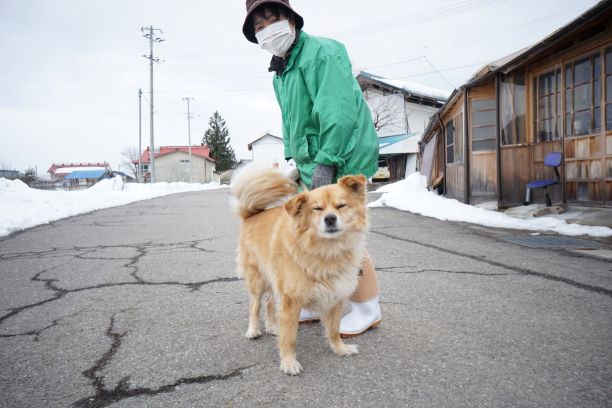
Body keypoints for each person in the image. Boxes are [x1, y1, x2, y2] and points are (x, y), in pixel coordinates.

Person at [242, 0, 381, 337]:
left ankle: (367, 308)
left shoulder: (321, 52)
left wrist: (327, 162)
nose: (266, 30)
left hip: (343, 155)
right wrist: (296, 161)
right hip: (314, 159)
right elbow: (295, 122)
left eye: (272, 19)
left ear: (291, 19)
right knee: (313, 231)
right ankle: (315, 300)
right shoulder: (282, 71)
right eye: (258, 26)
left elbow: (337, 112)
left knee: (346, 232)